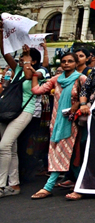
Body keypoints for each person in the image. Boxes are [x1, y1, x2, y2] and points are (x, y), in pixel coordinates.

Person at [30, 53, 87, 200]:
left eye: (70, 61)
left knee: (61, 151)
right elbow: (36, 91)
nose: (66, 63)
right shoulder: (56, 80)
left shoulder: (82, 79)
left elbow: (93, 96)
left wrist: (79, 104)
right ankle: (84, 184)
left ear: (76, 63)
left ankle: (48, 186)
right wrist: (35, 74)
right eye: (64, 61)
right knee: (71, 154)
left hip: (73, 122)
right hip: (56, 122)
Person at [0, 44, 45, 198]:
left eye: (24, 58)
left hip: (26, 111)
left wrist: (27, 58)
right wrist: (1, 32)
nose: (20, 59)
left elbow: (29, 76)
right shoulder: (18, 69)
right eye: (20, 58)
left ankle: (1, 185)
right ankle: (14, 184)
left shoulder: (41, 71)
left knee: (4, 146)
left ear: (33, 61)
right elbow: (5, 53)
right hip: (9, 111)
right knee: (11, 148)